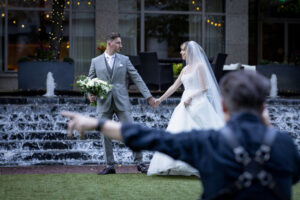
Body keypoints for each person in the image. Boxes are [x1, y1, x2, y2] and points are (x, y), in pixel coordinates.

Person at [63, 71, 300, 200]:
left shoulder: (209, 141)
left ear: (224, 107)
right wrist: (267, 129)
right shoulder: (285, 145)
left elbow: (151, 137)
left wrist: (96, 123)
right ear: (263, 106)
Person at [147, 41, 225, 176]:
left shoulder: (200, 66)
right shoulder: (185, 68)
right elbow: (173, 87)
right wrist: (159, 99)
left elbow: (205, 87)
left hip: (197, 102)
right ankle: (175, 164)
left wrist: (191, 97)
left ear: (190, 52)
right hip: (185, 103)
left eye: (183, 51)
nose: (181, 53)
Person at [88, 32, 156, 175]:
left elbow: (137, 78)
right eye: (118, 43)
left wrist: (148, 96)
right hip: (103, 102)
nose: (121, 45)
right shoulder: (95, 61)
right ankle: (109, 166)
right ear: (109, 43)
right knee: (104, 133)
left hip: (121, 101)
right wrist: (90, 94)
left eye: (120, 42)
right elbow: (90, 81)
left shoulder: (124, 60)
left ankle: (140, 163)